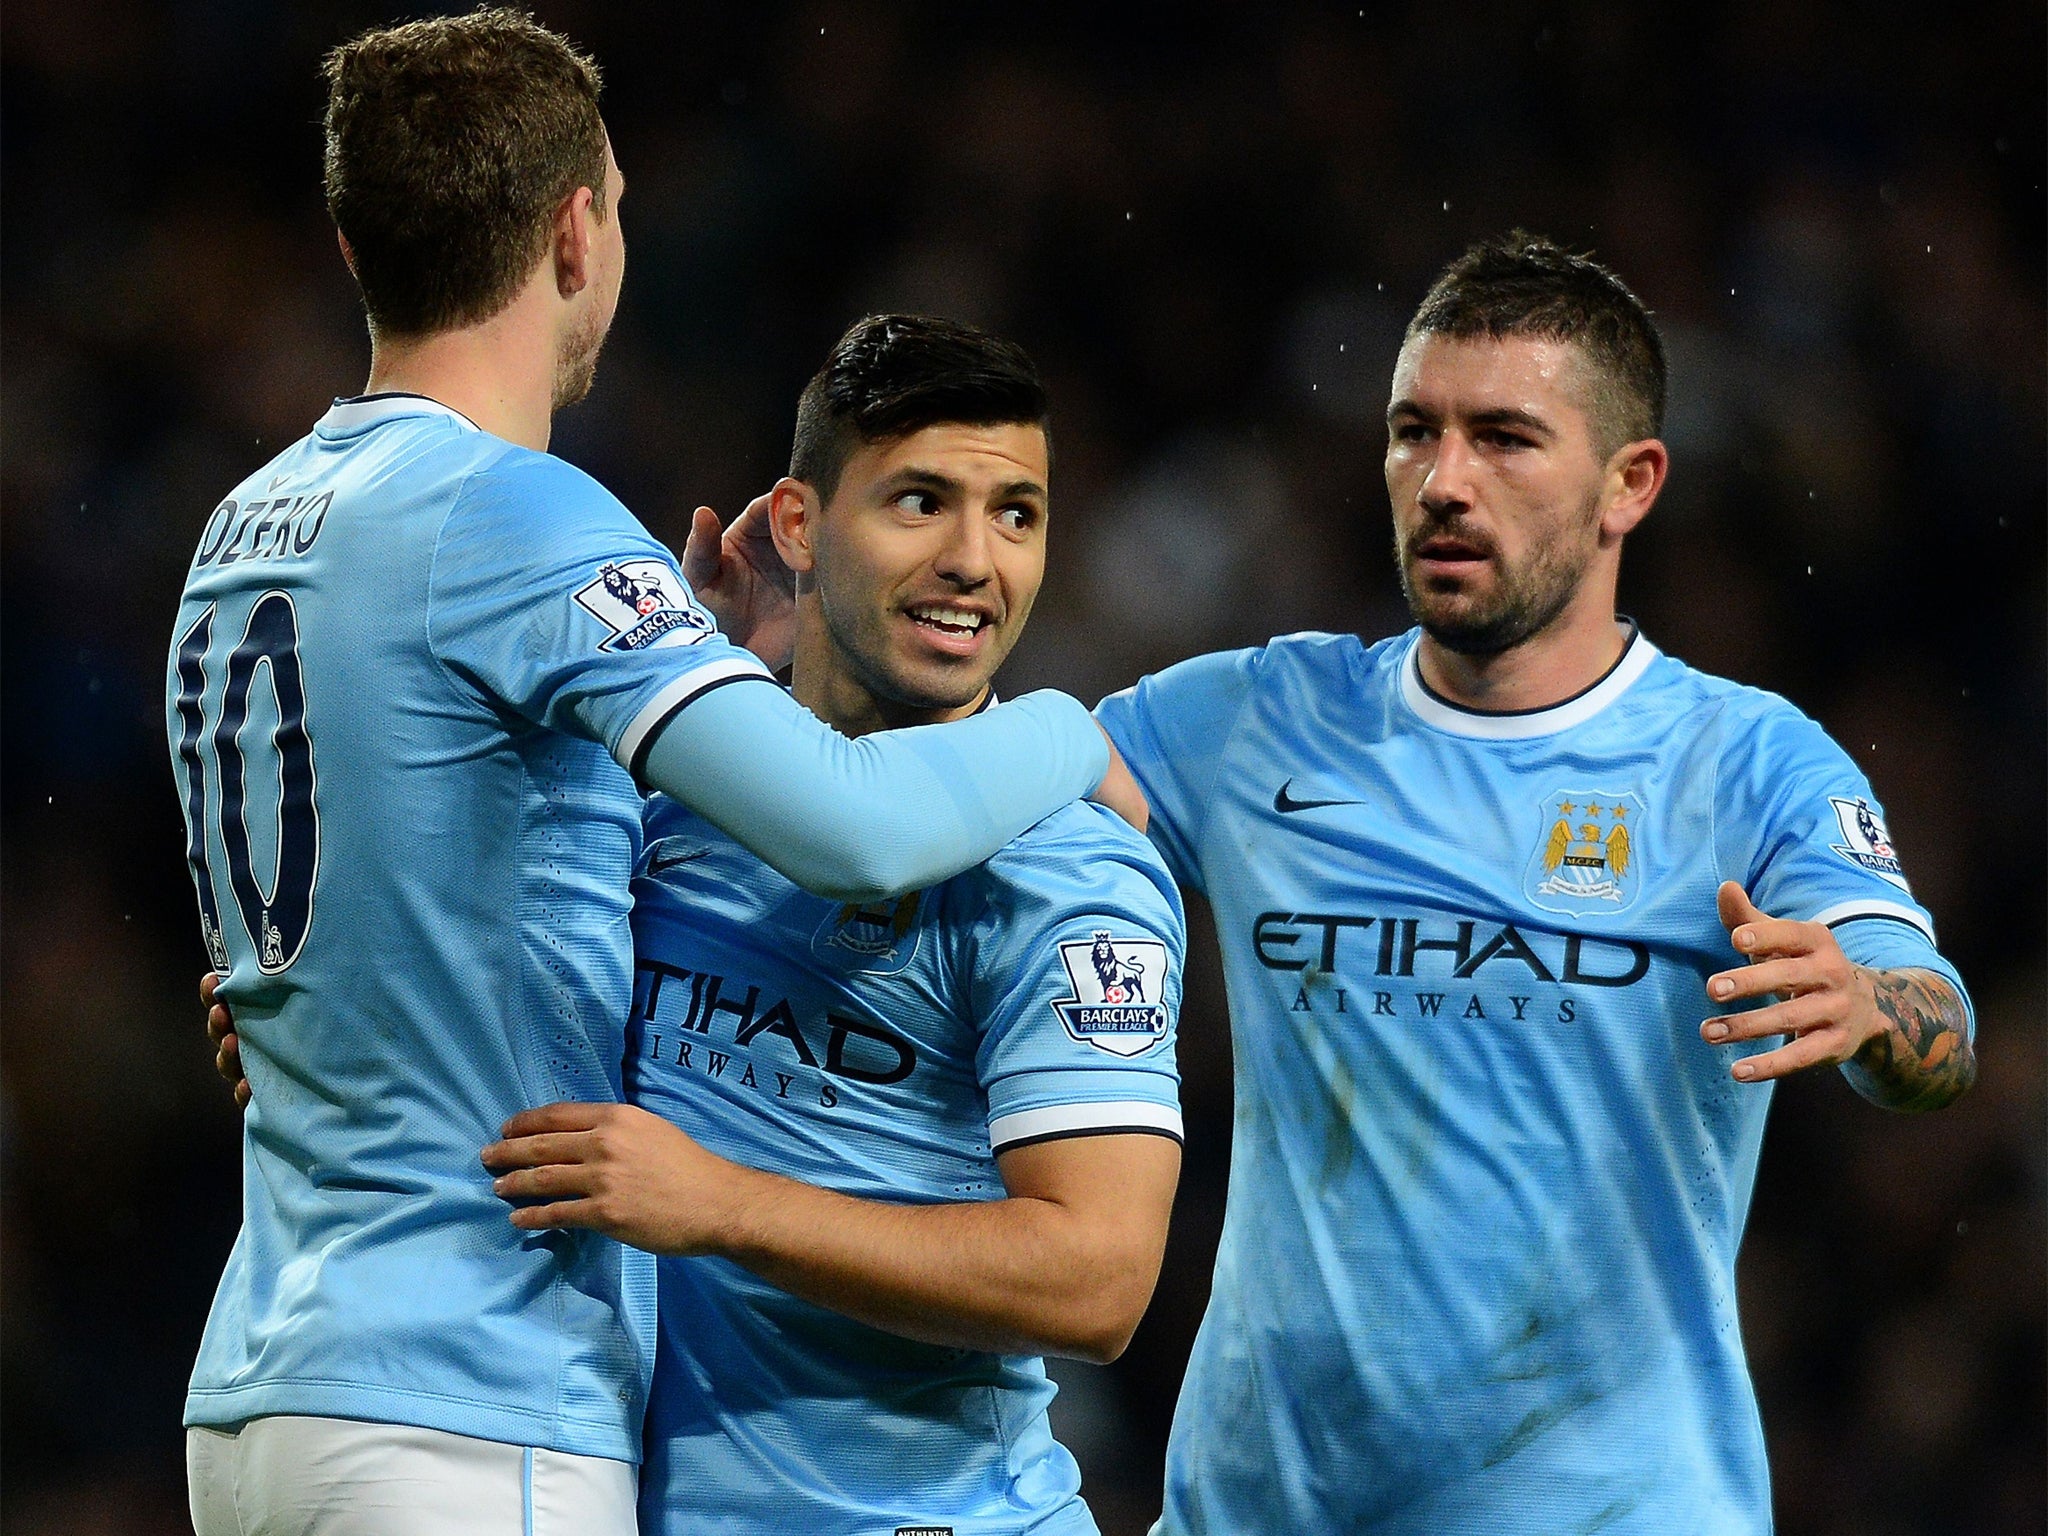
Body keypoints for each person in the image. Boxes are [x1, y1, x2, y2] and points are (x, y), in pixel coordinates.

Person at [169, 15, 1133, 1535]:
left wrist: (703, 678)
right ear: (576, 231)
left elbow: (418, 862)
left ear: (356, 248)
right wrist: (1080, 730)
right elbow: (857, 828)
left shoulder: (245, 524)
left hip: (265, 1383)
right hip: (471, 1393)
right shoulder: (524, 517)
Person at [1093, 231, 1977, 1533]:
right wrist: (780, 673)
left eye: (1504, 438)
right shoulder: (1256, 720)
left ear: (1630, 484)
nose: (1444, 480)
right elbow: (963, 806)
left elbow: (1938, 1024)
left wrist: (1870, 1005)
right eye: (1414, 432)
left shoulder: (1741, 764)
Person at [480, 313, 1186, 1536]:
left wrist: (725, 1205)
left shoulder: (1065, 873)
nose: (977, 560)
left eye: (1015, 513)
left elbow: (1099, 1280)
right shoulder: (673, 807)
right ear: (799, 525)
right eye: (919, 501)